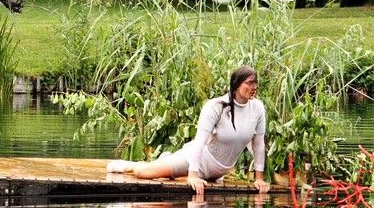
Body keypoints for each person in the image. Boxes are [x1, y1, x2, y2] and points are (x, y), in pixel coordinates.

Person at [107, 66, 270, 195]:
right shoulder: (216, 106)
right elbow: (200, 141)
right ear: (236, 84)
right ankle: (134, 165)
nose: (254, 87)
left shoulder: (258, 108)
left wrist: (259, 179)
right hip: (198, 161)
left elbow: (258, 144)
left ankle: (168, 162)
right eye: (249, 83)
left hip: (219, 171)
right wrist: (192, 176)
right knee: (145, 173)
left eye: (255, 83)